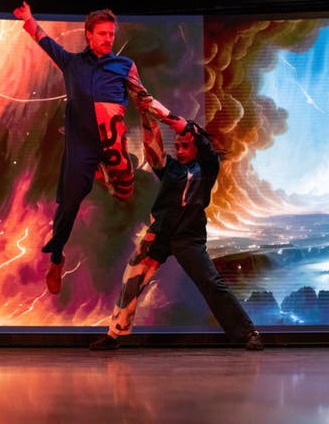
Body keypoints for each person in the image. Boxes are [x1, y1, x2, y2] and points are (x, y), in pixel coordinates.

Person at [13, 1, 185, 295]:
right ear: (88, 35)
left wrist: (173, 120)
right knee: (69, 202)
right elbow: (44, 40)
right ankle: (56, 259)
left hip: (112, 145)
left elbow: (144, 98)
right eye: (102, 33)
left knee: (126, 191)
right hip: (82, 145)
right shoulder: (71, 63)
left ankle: (103, 172)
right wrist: (29, 19)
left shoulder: (123, 66)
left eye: (111, 34)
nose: (108, 39)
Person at [89, 118, 264, 351]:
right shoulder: (170, 168)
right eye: (177, 147)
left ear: (196, 147)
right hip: (159, 234)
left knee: (211, 282)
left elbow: (204, 146)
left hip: (188, 236)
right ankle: (114, 336)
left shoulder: (207, 168)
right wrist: (146, 115)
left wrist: (185, 127)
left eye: (185, 146)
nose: (179, 151)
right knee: (131, 280)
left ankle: (247, 333)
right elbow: (154, 150)